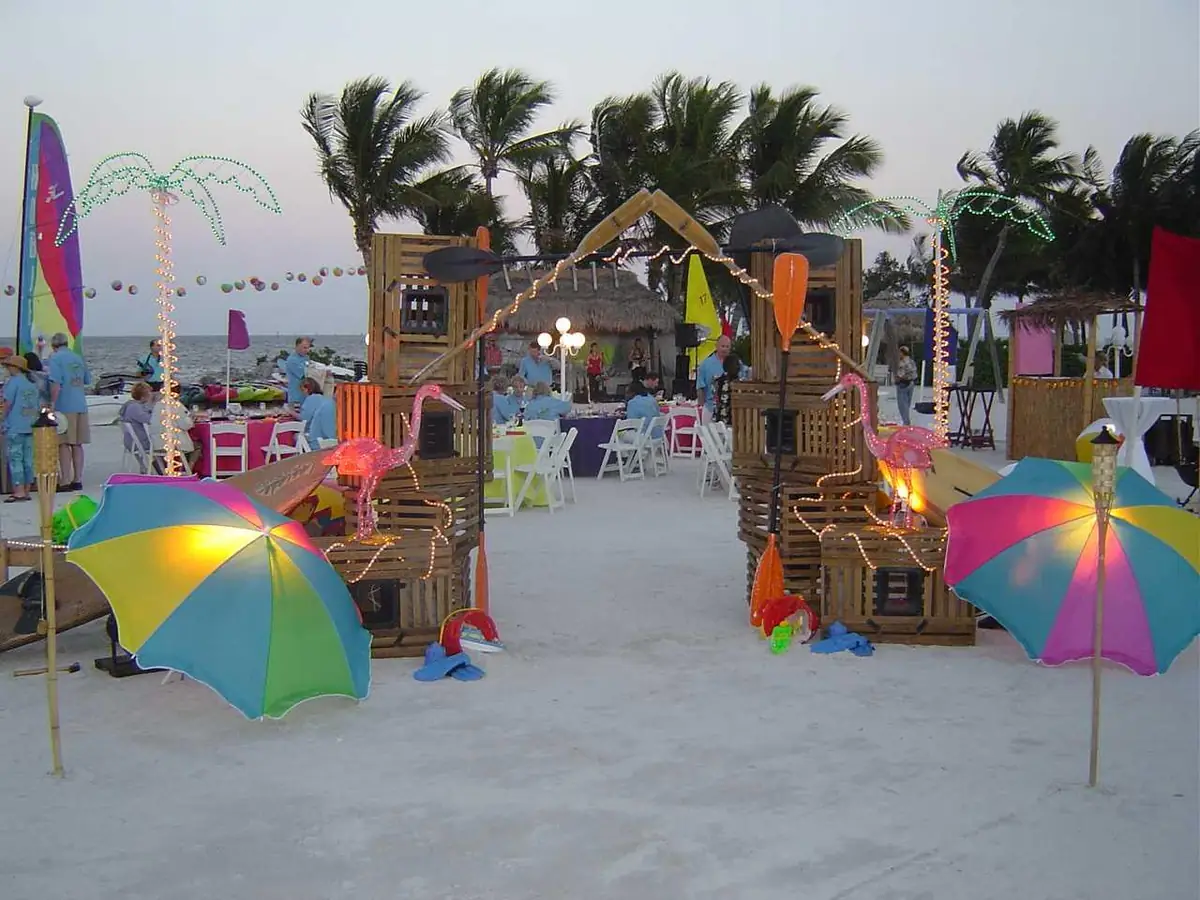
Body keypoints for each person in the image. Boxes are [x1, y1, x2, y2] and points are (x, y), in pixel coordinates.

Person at [47, 332, 91, 492]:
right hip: (80, 404)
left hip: (65, 406)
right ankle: (77, 479)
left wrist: (51, 404)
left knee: (63, 443)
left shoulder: (55, 359)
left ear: (54, 346)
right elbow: (87, 380)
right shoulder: (78, 358)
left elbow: (56, 384)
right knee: (77, 444)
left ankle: (65, 480)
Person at [2, 355, 41, 502]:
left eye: (8, 366)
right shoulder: (32, 384)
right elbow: (37, 406)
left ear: (15, 368)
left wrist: (1, 419)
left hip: (15, 425)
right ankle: (26, 489)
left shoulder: (13, 382)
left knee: (15, 458)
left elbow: (7, 404)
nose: (7, 369)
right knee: (28, 459)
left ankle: (18, 491)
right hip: (30, 425)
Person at [151, 385, 201, 473]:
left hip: (158, 443)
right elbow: (186, 425)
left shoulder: (157, 405)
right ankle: (188, 470)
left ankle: (170, 471)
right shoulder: (176, 405)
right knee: (198, 445)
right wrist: (192, 419)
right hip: (173, 443)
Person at [696, 335, 748, 416]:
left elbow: (745, 377)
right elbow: (700, 387)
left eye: (727, 347)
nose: (725, 349)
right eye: (722, 346)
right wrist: (701, 406)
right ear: (716, 346)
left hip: (732, 409)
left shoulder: (737, 363)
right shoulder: (705, 364)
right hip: (710, 408)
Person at [119, 382, 155, 460]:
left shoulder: (131, 405)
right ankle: (160, 468)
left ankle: (151, 467)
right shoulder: (135, 407)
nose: (151, 395)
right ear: (143, 397)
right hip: (139, 442)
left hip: (132, 441)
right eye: (149, 393)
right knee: (168, 445)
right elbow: (150, 420)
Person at [298, 377, 337, 443]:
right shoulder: (325, 399)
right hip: (324, 439)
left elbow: (304, 418)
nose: (302, 393)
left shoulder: (311, 399)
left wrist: (290, 411)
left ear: (307, 389)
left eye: (302, 390)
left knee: (295, 436)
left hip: (314, 439)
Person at [711, 354, 742, 426]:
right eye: (738, 364)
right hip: (731, 421)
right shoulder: (736, 383)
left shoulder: (719, 380)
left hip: (718, 420)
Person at [893, 345, 919, 426]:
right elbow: (915, 374)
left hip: (902, 385)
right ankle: (906, 421)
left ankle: (906, 423)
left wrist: (896, 378)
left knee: (902, 405)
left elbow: (900, 374)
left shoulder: (902, 363)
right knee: (907, 404)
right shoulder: (911, 361)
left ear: (902, 353)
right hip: (911, 384)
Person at [284, 337, 312, 406]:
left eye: (308, 348)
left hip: (306, 395)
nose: (306, 350)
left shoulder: (306, 358)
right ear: (297, 347)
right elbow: (304, 375)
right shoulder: (292, 360)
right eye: (304, 348)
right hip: (296, 397)